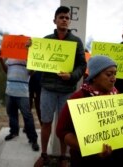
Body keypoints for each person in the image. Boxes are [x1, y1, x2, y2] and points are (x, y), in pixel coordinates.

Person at [56, 55, 123, 166]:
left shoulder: (116, 94)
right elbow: (62, 131)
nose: (114, 78)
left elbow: (122, 122)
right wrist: (93, 148)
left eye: (115, 74)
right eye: (108, 74)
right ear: (94, 77)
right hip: (85, 160)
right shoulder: (78, 98)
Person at [34, 6, 87, 167]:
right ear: (55, 20)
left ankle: (64, 156)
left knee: (65, 126)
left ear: (69, 21)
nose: (64, 19)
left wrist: (71, 76)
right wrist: (32, 49)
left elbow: (82, 65)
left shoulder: (76, 41)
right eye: (61, 17)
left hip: (67, 91)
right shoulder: (46, 40)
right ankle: (44, 154)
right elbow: (37, 62)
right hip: (48, 89)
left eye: (66, 17)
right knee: (46, 123)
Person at [0, 51, 40, 152]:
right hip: (9, 91)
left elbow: (31, 72)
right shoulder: (11, 57)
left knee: (27, 116)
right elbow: (7, 71)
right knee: (11, 114)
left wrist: (29, 59)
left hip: (22, 93)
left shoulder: (29, 57)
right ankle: (14, 132)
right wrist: (1, 60)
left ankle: (33, 139)